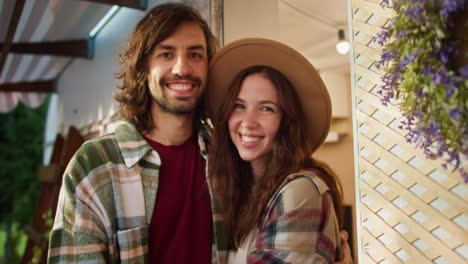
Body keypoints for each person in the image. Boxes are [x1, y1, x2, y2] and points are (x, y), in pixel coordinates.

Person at [47, 3, 354, 263]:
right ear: (143, 67)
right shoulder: (96, 166)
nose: (182, 68)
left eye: (195, 54)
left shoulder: (228, 162)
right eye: (166, 54)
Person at [206, 38, 346, 263]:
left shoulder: (302, 191)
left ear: (287, 122)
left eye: (266, 108)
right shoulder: (237, 192)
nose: (248, 122)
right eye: (239, 106)